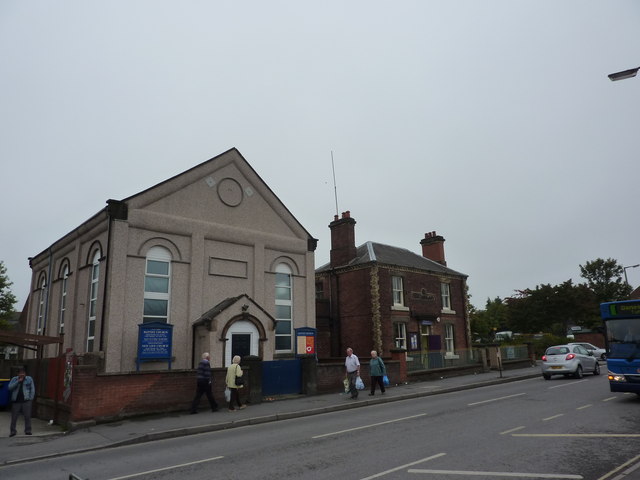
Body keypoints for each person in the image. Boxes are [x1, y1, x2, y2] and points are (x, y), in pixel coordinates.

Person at [8, 366, 35, 437]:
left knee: (27, 416)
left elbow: (32, 389)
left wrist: (30, 398)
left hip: (26, 401)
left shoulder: (29, 379)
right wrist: (18, 382)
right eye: (20, 373)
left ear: (25, 373)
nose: (22, 374)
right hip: (16, 401)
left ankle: (28, 430)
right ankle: (13, 431)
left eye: (23, 373)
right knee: (14, 417)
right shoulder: (14, 379)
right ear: (17, 374)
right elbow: (9, 388)